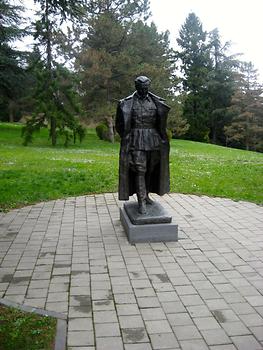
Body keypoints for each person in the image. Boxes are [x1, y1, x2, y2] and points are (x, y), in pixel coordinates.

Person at [116, 76, 170, 214]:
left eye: (146, 88)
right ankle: (141, 202)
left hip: (153, 140)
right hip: (135, 139)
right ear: (136, 87)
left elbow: (161, 123)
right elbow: (120, 125)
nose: (144, 90)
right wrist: (128, 137)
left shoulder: (156, 101)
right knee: (140, 169)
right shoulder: (125, 103)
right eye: (141, 88)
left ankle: (145, 195)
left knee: (151, 169)